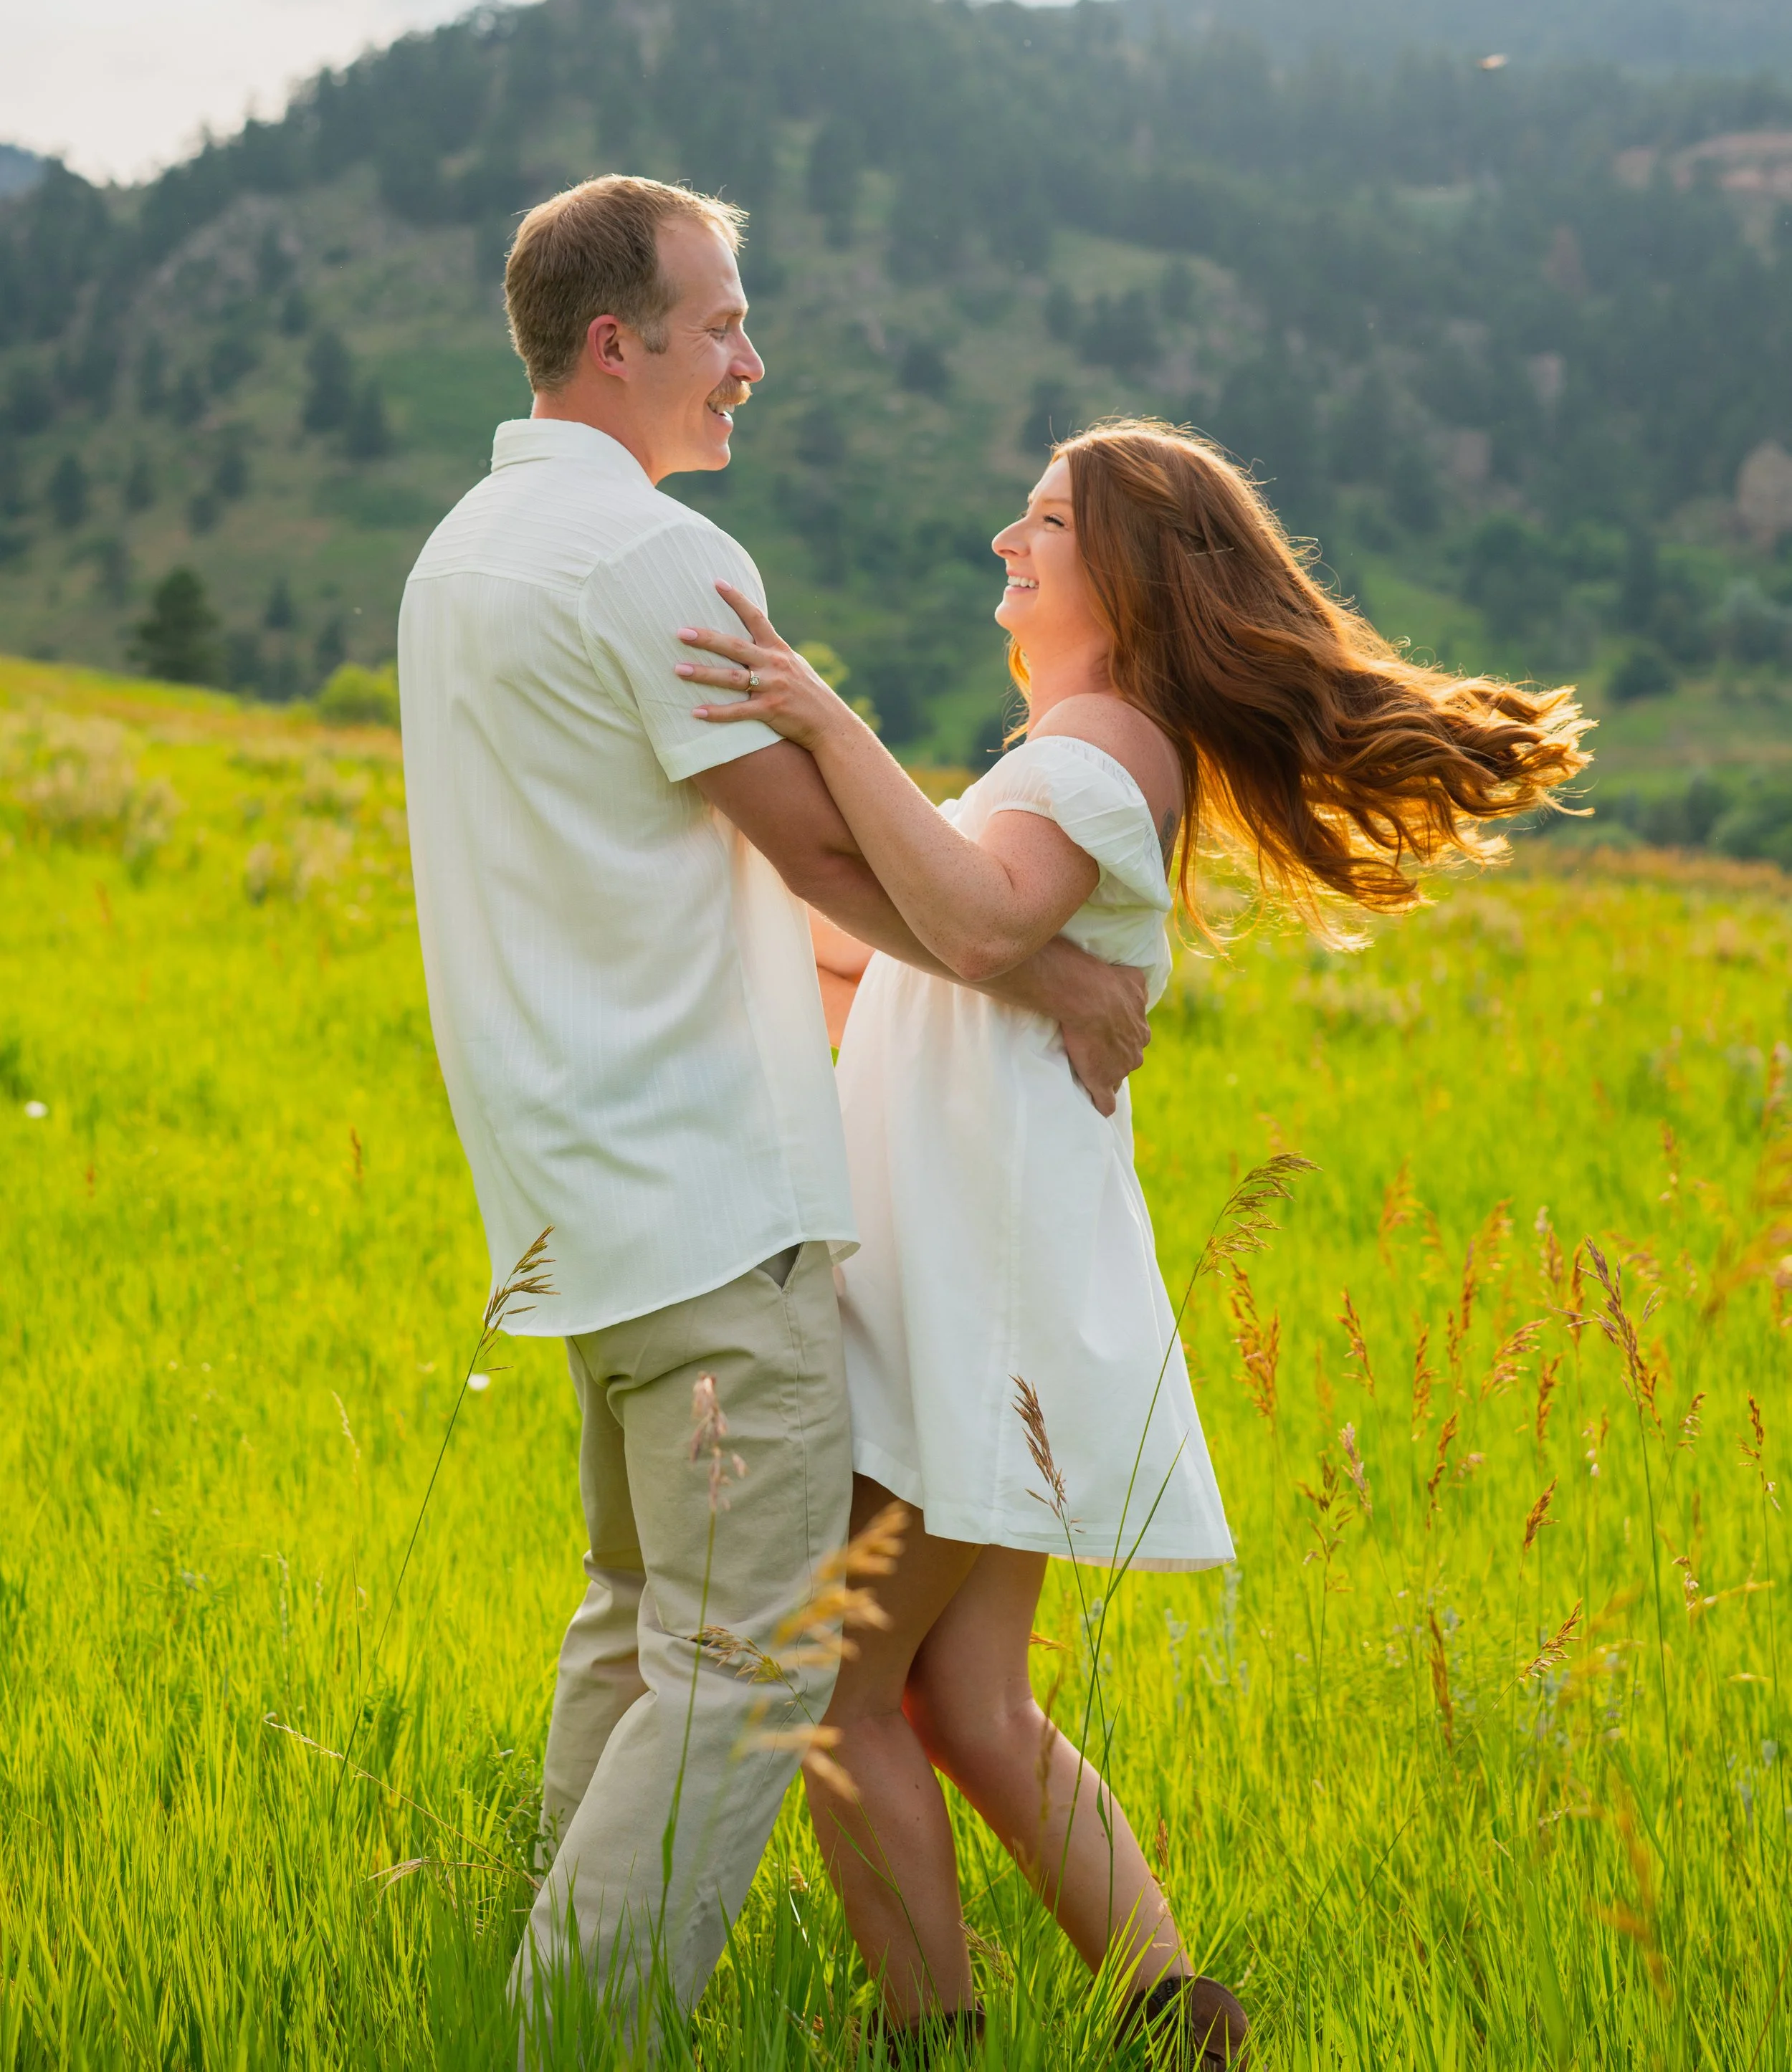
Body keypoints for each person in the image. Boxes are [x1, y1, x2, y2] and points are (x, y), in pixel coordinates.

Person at [675, 417, 1589, 2066]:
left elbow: (963, 915)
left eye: (1041, 518)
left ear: (1126, 569)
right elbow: (911, 947)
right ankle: (1184, 2021)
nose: (1004, 541)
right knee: (965, 1702)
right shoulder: (1081, 743)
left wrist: (811, 711)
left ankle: (935, 2042)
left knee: (828, 1693)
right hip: (984, 1258)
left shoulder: (1093, 747)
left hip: (978, 1277)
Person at [395, 175, 1154, 2053]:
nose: (751, 356)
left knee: (636, 1618)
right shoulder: (655, 565)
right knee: (747, 1666)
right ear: (615, 343)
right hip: (710, 1204)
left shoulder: (462, 556)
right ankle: (575, 2026)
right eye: (721, 320)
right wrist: (1048, 971)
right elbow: (840, 857)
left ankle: (536, 2000)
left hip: (577, 1192)